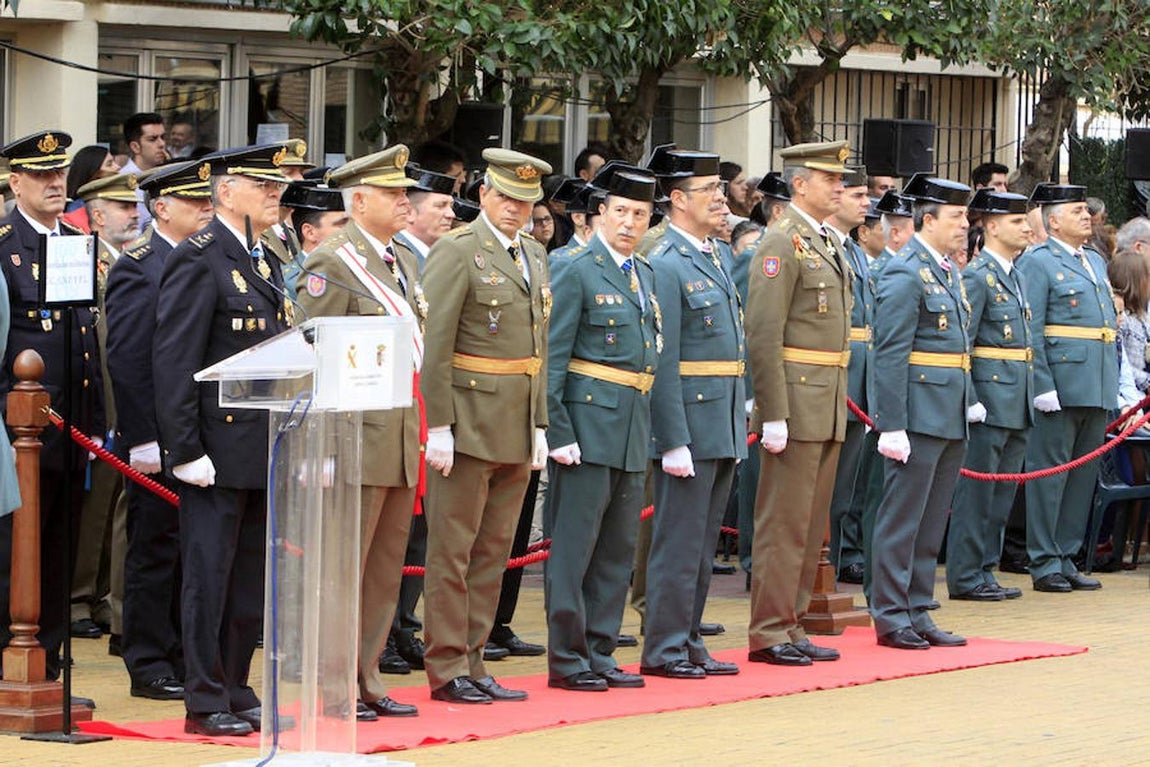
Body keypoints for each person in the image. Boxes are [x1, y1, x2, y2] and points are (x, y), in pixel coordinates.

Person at [153, 144, 292, 737]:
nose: (275, 193)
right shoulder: (200, 258)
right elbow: (174, 359)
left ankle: (236, 683)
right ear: (226, 191)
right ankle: (204, 697)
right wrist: (184, 451)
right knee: (208, 578)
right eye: (262, 184)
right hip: (213, 449)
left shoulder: (267, 259)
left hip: (261, 447)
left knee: (247, 582)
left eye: (276, 185)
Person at [419, 148, 552, 704]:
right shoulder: (457, 251)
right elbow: (437, 346)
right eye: (505, 198)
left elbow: (538, 347)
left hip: (516, 423)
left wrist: (540, 424)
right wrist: (441, 426)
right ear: (483, 195)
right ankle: (447, 665)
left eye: (525, 202)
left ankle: (474, 659)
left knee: (492, 552)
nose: (515, 210)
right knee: (453, 550)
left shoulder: (535, 255)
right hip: (468, 420)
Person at [297, 144, 425, 721]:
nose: (406, 202)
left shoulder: (404, 260)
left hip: (398, 433)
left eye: (406, 193)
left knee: (383, 567)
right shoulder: (333, 261)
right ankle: (332, 684)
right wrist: (321, 447)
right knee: (344, 568)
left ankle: (366, 674)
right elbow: (313, 353)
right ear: (360, 200)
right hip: (353, 436)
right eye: (395, 193)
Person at [544, 164, 658, 692]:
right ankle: (568, 658)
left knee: (616, 549)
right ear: (600, 215)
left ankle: (601, 650)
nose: (630, 223)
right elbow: (553, 357)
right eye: (620, 212)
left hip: (631, 425)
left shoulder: (645, 272)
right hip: (587, 426)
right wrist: (558, 430)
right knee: (574, 549)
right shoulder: (577, 268)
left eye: (640, 213)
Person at [106, 160, 214, 699]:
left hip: (195, 429)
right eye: (194, 202)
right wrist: (142, 436)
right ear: (162, 208)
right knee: (154, 548)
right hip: (156, 436)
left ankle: (179, 652)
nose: (205, 209)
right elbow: (128, 358)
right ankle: (148, 659)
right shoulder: (140, 265)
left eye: (207, 200)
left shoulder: (199, 260)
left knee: (190, 548)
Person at [0, 131, 105, 683]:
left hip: (72, 426)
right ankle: (9, 652)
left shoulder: (74, 240)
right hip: (19, 430)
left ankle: (54, 648)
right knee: (15, 547)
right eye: (40, 175)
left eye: (59, 173)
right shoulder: (3, 245)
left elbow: (84, 336)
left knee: (61, 543)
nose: (54, 183)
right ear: (16, 182)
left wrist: (97, 419)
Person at [745, 141, 851, 667]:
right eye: (829, 178)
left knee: (810, 524)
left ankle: (792, 621)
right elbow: (763, 334)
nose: (840, 186)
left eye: (840, 178)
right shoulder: (782, 242)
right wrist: (774, 411)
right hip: (796, 399)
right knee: (783, 522)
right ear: (801, 184)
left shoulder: (823, 240)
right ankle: (768, 629)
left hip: (826, 399)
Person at [640, 148, 744, 680]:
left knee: (702, 546)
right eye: (709, 190)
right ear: (678, 199)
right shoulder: (664, 260)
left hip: (720, 419)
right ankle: (663, 646)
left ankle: (689, 638)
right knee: (679, 544)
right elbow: (664, 356)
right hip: (689, 422)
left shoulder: (714, 255)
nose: (720, 199)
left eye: (721, 190)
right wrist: (672, 437)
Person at [870, 174, 974, 650]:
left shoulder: (947, 269)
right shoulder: (905, 270)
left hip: (947, 408)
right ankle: (891, 614)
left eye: (965, 217)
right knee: (903, 519)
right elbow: (889, 352)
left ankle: (918, 607)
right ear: (926, 220)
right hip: (917, 411)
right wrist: (891, 424)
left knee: (931, 521)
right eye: (955, 217)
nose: (964, 225)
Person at [1017, 183, 1117, 593]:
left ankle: (1066, 555)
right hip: (1060, 381)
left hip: (1095, 380)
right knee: (1050, 474)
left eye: (1085, 211)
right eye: (1076, 210)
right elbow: (1030, 326)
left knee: (1082, 475)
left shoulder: (1093, 260)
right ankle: (1043, 561)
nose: (1085, 217)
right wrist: (1042, 383)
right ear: (1053, 220)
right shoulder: (1039, 261)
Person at [945, 189, 1034, 603]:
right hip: (989, 396)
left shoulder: (1013, 273)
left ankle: (985, 569)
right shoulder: (979, 276)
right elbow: (962, 341)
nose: (1027, 228)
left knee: (1000, 495)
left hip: (1015, 396)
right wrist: (970, 396)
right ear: (993, 226)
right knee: (978, 494)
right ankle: (965, 575)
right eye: (1017, 222)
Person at [70, 173, 140, 643]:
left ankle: (99, 596)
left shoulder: (126, 262)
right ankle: (77, 596)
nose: (134, 214)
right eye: (123, 208)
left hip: (123, 395)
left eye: (134, 207)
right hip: (97, 397)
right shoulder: (83, 259)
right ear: (97, 215)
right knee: (94, 506)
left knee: (115, 500)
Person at [824, 167, 873, 587]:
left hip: (857, 378)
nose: (865, 202)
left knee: (848, 486)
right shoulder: (813, 246)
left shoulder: (853, 249)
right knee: (822, 486)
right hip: (825, 379)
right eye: (855, 194)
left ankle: (839, 558)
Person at [394, 164, 458, 270]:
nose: (451, 215)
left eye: (451, 206)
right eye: (441, 205)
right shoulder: (395, 258)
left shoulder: (440, 257)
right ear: (409, 212)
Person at [121, 113, 169, 228]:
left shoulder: (167, 174)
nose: (161, 144)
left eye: (163, 137)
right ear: (135, 147)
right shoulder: (123, 181)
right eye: (153, 139)